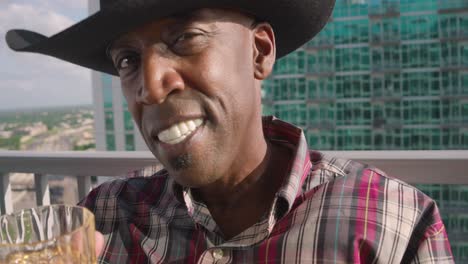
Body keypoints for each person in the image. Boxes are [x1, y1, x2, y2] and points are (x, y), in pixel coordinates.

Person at [6, 0, 454, 263]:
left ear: (259, 53)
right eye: (127, 60)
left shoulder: (394, 227)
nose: (151, 84)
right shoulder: (102, 219)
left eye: (184, 39)